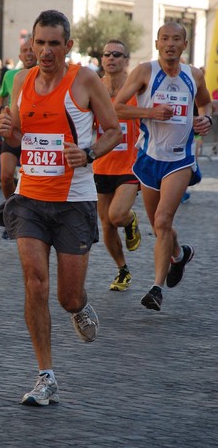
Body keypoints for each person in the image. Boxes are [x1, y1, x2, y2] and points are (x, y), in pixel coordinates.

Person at [0, 10, 122, 406]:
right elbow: (22, 134)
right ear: (31, 44)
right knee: (35, 281)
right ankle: (45, 376)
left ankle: (79, 306)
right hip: (30, 197)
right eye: (40, 43)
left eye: (54, 43)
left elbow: (114, 130)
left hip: (73, 201)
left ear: (67, 46)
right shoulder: (20, 81)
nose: (46, 51)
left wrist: (87, 153)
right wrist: (7, 131)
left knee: (66, 295)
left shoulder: (83, 79)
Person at [114, 21, 212, 311]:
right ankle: (179, 254)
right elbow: (116, 107)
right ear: (157, 43)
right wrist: (149, 112)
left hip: (180, 160)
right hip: (148, 158)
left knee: (162, 221)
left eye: (176, 39)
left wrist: (205, 119)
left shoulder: (194, 75)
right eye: (165, 39)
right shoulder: (145, 72)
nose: (170, 44)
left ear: (184, 45)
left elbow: (206, 104)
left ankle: (156, 288)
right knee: (160, 226)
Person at [93, 40, 141, 291]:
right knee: (107, 225)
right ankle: (122, 270)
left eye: (117, 55)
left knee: (117, 215)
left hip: (129, 166)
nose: (111, 58)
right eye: (107, 54)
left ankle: (130, 219)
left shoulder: (136, 91)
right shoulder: (94, 89)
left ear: (126, 61)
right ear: (102, 60)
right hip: (101, 166)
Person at [0, 40, 37, 238]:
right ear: (20, 56)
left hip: (35, 133)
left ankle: (28, 219)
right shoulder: (10, 75)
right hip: (14, 129)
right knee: (5, 176)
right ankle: (11, 213)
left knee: (29, 177)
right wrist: (1, 112)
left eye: (31, 49)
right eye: (24, 51)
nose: (28, 53)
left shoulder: (44, 75)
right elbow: (2, 96)